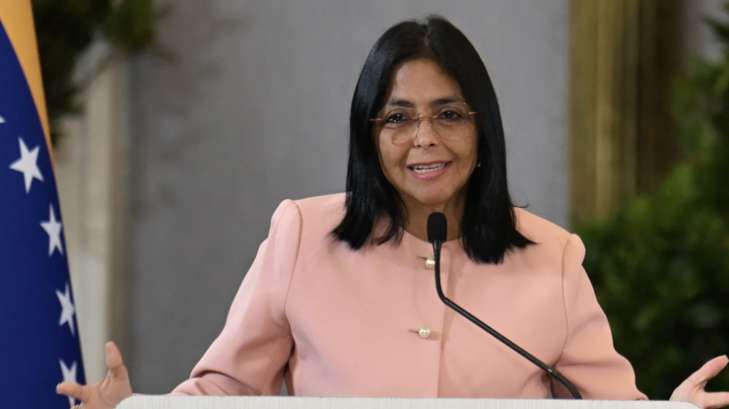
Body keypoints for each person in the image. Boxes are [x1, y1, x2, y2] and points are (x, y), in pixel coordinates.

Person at [57, 15, 729, 409]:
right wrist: (133, 408)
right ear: (368, 135)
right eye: (398, 119)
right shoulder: (302, 236)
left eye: (448, 115)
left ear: (482, 129)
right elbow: (224, 391)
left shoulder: (551, 256)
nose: (424, 139)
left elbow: (613, 408)